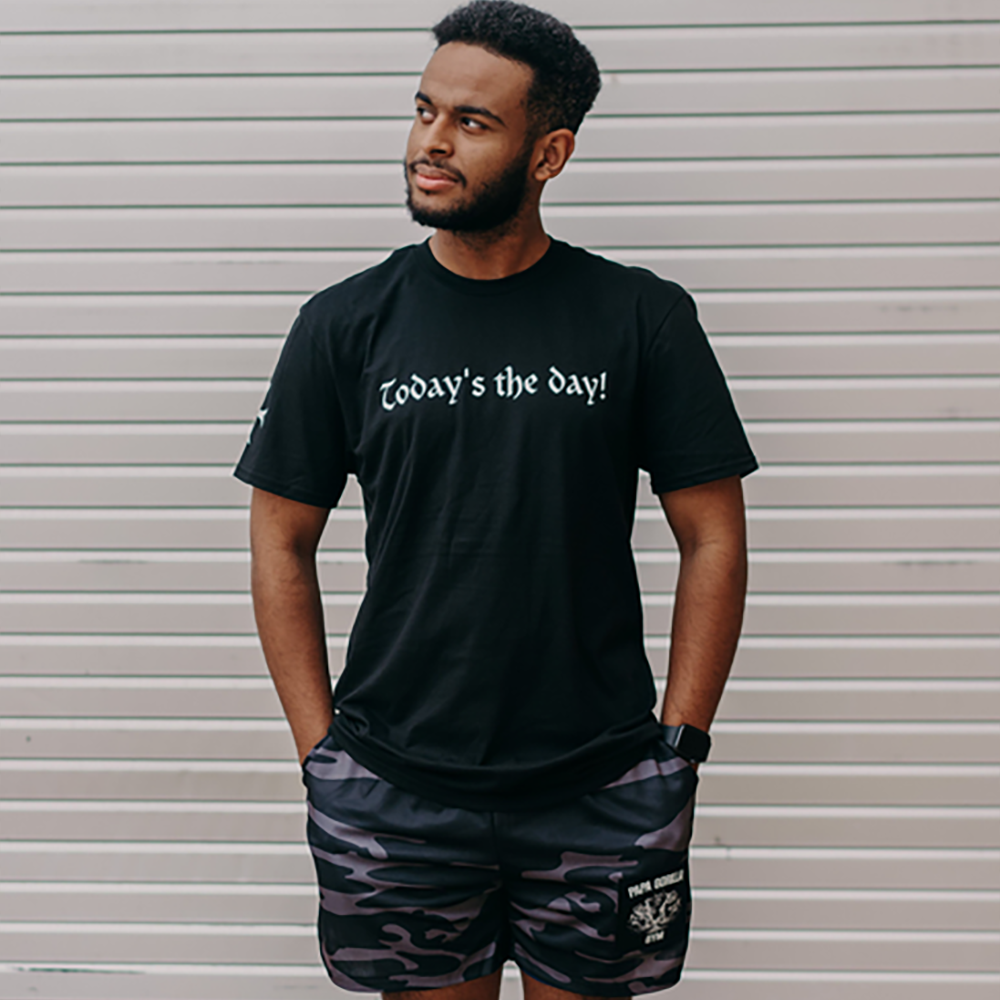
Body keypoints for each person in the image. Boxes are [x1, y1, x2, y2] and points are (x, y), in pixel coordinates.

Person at [234, 2, 757, 997]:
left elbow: (713, 535)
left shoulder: (640, 317)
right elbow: (279, 537)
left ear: (548, 152)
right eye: (425, 110)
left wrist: (679, 748)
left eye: (471, 122)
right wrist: (322, 752)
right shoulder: (344, 324)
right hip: (396, 790)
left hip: (598, 784)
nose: (430, 141)